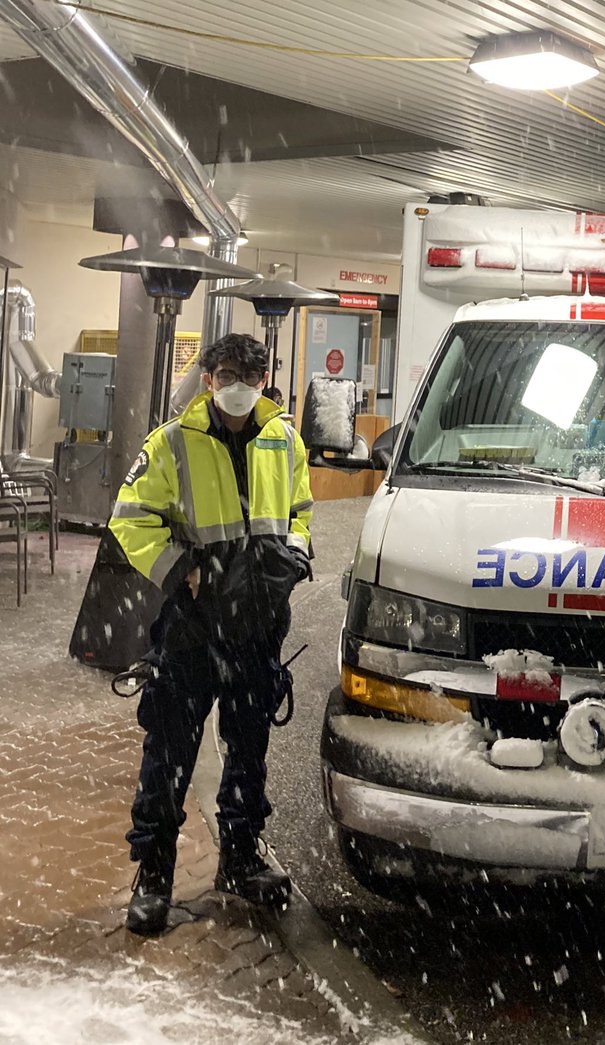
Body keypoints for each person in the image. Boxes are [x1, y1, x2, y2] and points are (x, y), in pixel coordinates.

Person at [109, 333, 314, 936]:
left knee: (249, 755)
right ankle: (153, 876)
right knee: (169, 756)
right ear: (207, 379)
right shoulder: (172, 443)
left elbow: (300, 510)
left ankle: (242, 859)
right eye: (227, 373)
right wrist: (183, 569)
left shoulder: (284, 438)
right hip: (194, 632)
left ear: (264, 378)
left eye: (250, 374)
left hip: (258, 630)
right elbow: (131, 517)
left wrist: (295, 556)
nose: (238, 385)